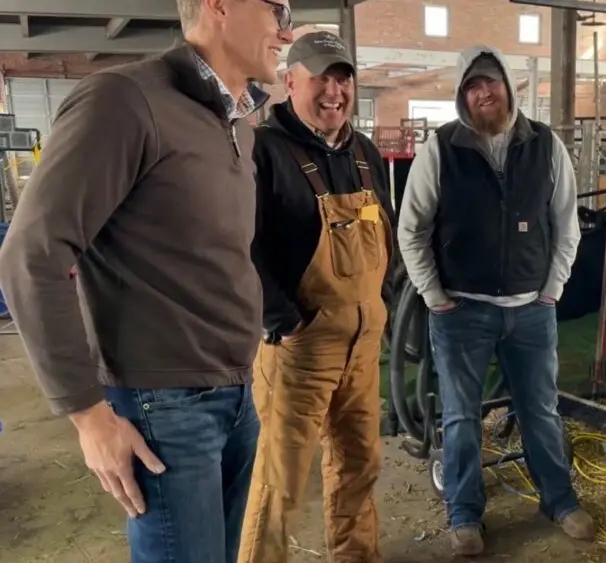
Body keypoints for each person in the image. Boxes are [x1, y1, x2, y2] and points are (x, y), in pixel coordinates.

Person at [0, 1, 293, 561]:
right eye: (275, 6)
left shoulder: (237, 124)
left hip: (234, 393)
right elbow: (32, 253)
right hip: (165, 406)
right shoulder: (125, 101)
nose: (285, 27)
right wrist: (87, 414)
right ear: (220, 5)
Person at [398, 45, 592, 556]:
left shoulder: (547, 146)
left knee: (541, 411)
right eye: (472, 86)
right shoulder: (440, 149)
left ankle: (558, 499)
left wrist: (552, 291)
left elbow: (566, 225)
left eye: (491, 81)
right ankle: (464, 514)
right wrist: (434, 296)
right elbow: (411, 230)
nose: (483, 92)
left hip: (531, 310)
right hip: (462, 311)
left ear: (509, 85)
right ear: (463, 96)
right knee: (461, 418)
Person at [236, 31, 395, 563]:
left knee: (359, 465)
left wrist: (381, 301)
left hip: (363, 346)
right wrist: (283, 320)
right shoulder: (261, 150)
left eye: (343, 78)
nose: (334, 91)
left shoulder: (364, 152)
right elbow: (240, 247)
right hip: (301, 350)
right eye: (321, 78)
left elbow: (385, 230)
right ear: (289, 81)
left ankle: (357, 556)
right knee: (280, 484)